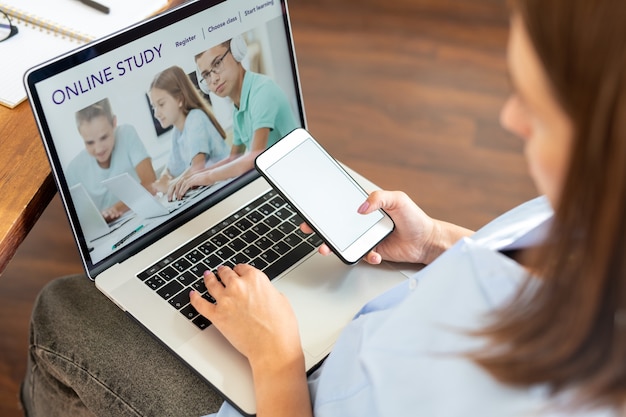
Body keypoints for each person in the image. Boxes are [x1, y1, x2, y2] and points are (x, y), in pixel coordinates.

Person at [20, 0, 626, 416]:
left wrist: (277, 356)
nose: (510, 118)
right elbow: (544, 277)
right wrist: (438, 241)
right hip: (375, 319)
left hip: (295, 392)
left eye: (541, 109)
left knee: (66, 308)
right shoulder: (600, 213)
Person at [168, 37, 299, 201]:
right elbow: (234, 158)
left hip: (296, 182)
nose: (213, 79)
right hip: (275, 183)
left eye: (217, 64)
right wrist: (194, 175)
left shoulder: (262, 91)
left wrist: (208, 177)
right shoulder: (238, 109)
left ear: (237, 52)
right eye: (206, 75)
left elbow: (255, 157)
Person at [65, 98, 156, 222]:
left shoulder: (126, 134)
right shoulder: (73, 170)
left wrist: (116, 209)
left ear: (114, 123)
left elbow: (150, 183)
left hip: (141, 217)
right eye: (89, 142)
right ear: (80, 134)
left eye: (104, 137)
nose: (98, 149)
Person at [148, 65, 230, 195]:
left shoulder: (195, 118)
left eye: (161, 104)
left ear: (179, 99)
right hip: (211, 190)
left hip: (227, 185)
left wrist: (168, 185)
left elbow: (197, 167)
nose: (156, 113)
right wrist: (163, 180)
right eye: (154, 107)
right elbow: (169, 170)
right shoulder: (177, 131)